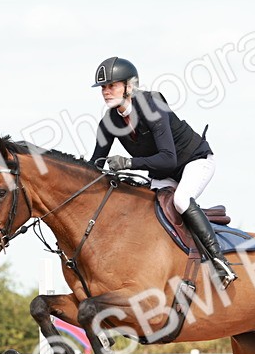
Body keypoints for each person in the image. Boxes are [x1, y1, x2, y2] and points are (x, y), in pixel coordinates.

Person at [86, 56, 236, 286]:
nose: (106, 92)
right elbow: (94, 165)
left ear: (129, 86)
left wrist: (128, 163)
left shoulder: (152, 105)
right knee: (145, 209)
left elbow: (168, 159)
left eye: (111, 86)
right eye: (103, 88)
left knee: (181, 200)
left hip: (193, 160)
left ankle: (220, 262)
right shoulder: (109, 122)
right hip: (163, 173)